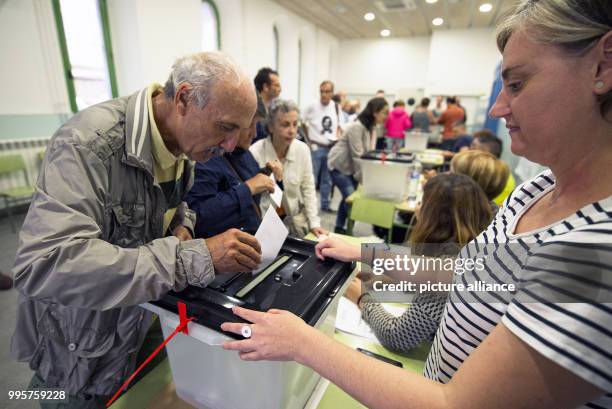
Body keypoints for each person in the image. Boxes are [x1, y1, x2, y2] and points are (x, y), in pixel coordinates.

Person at [221, 2, 612, 408]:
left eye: (517, 84)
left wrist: (304, 343)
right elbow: (469, 272)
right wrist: (366, 254)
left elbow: (455, 404)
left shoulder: (594, 251)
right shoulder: (538, 190)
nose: (498, 107)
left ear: (602, 67)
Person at [11, 51, 263, 408]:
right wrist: (191, 258)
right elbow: (46, 264)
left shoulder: (182, 144)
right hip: (79, 355)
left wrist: (182, 227)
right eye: (225, 127)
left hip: (139, 328)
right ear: (184, 99)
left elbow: (175, 207)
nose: (230, 145)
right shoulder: (86, 145)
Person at [345, 173, 492, 353]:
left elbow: (397, 336)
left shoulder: (448, 269)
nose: (418, 208)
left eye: (422, 203)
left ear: (435, 217)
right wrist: (387, 277)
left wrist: (361, 298)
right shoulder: (474, 246)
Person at [186, 93, 283, 238]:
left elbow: (242, 181)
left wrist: (266, 173)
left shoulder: (244, 152)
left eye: (256, 125)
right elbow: (198, 216)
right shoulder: (205, 157)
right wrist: (247, 188)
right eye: (250, 125)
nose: (255, 133)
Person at [251, 99, 327, 238]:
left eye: (295, 124)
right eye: (285, 125)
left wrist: (314, 223)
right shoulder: (256, 152)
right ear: (271, 126)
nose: (292, 131)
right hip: (264, 224)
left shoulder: (302, 149)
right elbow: (253, 199)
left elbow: (308, 188)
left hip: (295, 221)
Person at [327, 97, 389, 234]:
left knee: (347, 198)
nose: (387, 116)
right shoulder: (357, 127)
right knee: (351, 198)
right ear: (375, 112)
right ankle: (346, 230)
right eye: (385, 112)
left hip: (350, 168)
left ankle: (339, 227)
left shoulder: (370, 128)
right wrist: (365, 180)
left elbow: (368, 154)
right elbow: (358, 157)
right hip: (338, 166)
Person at [303, 80, 339, 213]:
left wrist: (338, 136)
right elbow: (302, 122)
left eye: (327, 91)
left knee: (327, 180)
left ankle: (325, 205)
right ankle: (309, 207)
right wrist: (308, 140)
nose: (324, 94)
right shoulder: (312, 106)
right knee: (311, 179)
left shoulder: (335, 106)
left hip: (330, 147)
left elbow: (338, 125)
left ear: (332, 93)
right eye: (322, 91)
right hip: (316, 147)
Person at [470, 132, 516, 205]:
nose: (469, 150)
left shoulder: (488, 173)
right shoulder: (500, 170)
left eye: (474, 147)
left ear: (485, 152)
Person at [253, 67, 282, 142]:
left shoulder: (272, 108)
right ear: (265, 87)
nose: (280, 89)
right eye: (276, 85)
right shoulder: (253, 109)